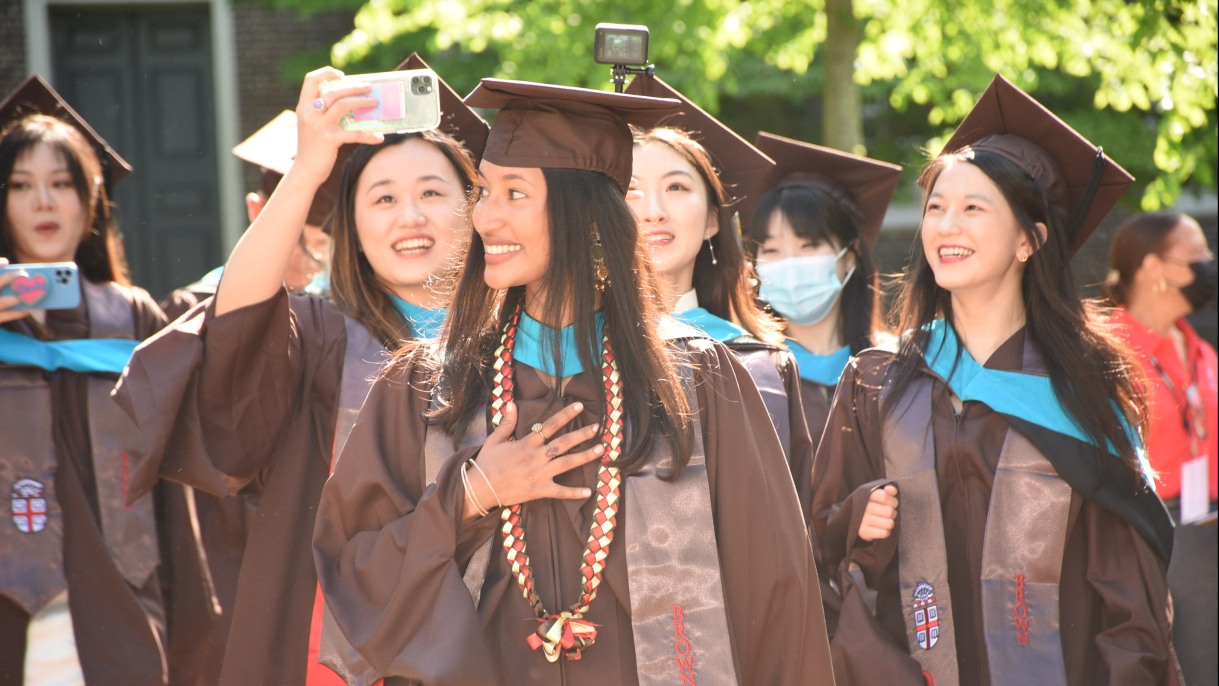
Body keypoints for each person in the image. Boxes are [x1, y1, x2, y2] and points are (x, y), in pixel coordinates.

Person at [313, 78, 834, 684]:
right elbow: (352, 564)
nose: (484, 215)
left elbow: (774, 594)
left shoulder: (696, 380)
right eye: (483, 190)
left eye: (513, 193)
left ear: (581, 211)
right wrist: (471, 495)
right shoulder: (427, 386)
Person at [113, 54, 488, 684]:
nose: (410, 216)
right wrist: (309, 168)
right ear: (352, 229)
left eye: (432, 193)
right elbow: (237, 320)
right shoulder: (324, 339)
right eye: (384, 198)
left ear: (474, 211)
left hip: (493, 617)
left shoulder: (520, 339)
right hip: (341, 636)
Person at [810, 74, 1183, 685]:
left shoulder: (1082, 391)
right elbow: (822, 551)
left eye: (973, 208)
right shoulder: (879, 382)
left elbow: (1129, 594)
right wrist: (858, 520)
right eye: (936, 207)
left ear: (1029, 240)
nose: (945, 227)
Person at [0, 75, 171, 684]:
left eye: (61, 183)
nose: (43, 203)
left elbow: (174, 481)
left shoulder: (130, 317)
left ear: (89, 200)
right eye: (21, 186)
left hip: (119, 605)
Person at [623, 73, 816, 522]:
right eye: (630, 191)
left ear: (713, 221)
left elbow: (775, 525)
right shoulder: (568, 351)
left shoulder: (751, 364)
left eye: (676, 187)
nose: (653, 210)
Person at [746, 132, 899, 450]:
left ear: (850, 257)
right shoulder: (748, 373)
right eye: (771, 250)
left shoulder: (896, 368)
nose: (789, 264)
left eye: (809, 245)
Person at [163, 109, 333, 321]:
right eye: (314, 245)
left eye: (322, 245)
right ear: (256, 210)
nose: (311, 262)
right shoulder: (200, 305)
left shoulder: (344, 304)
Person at [1105, 211, 1217, 522]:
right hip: (1147, 533)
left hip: (1207, 528)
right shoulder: (1106, 354)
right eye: (1196, 253)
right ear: (1153, 267)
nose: (1208, 261)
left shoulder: (1202, 352)